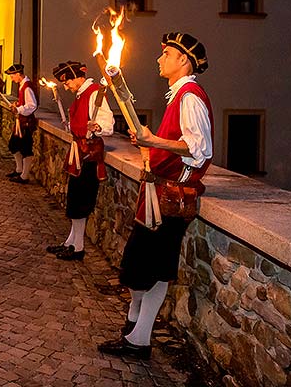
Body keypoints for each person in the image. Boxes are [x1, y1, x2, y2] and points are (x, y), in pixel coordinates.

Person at [98, 32, 212, 360]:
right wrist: (149, 143)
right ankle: (135, 325)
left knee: (156, 268)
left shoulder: (190, 95)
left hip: (172, 198)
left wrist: (155, 141)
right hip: (157, 193)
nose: (159, 60)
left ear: (183, 61)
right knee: (140, 266)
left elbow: (199, 149)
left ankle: (140, 338)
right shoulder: (178, 95)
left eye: (166, 55)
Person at [46, 61, 114, 261]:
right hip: (79, 153)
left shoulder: (94, 93)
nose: (65, 86)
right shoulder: (80, 95)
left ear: (76, 77)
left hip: (88, 156)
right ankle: (70, 242)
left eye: (66, 82)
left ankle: (78, 248)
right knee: (75, 200)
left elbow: (108, 124)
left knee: (81, 201)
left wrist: (97, 127)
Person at [5, 64, 37, 183]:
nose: (11, 78)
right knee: (13, 145)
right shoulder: (22, 85)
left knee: (25, 148)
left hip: (26, 123)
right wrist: (17, 105)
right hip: (21, 122)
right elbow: (24, 102)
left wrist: (19, 109)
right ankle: (19, 169)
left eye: (12, 76)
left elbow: (32, 105)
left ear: (18, 74)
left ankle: (24, 176)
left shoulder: (27, 87)